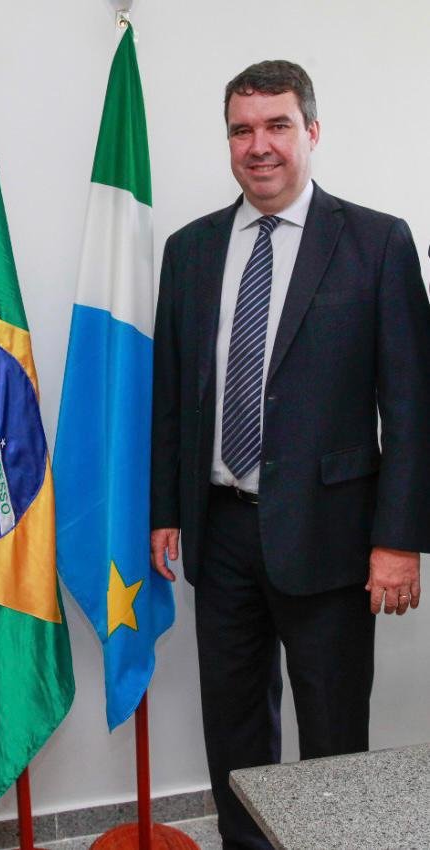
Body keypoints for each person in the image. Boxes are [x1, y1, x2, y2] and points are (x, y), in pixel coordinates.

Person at [150, 61, 430, 850]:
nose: (258, 145)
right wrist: (165, 509)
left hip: (333, 535)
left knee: (333, 730)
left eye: (276, 126)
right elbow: (172, 393)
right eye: (241, 130)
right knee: (233, 728)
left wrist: (398, 539)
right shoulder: (189, 249)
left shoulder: (375, 242)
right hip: (219, 530)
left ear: (310, 131)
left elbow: (411, 406)